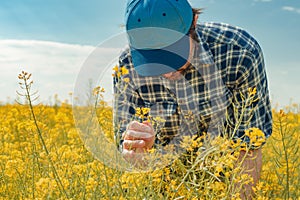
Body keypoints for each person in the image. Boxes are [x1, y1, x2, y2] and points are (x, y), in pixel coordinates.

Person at [113, 0, 272, 199]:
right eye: (153, 59)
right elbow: (124, 142)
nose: (167, 71)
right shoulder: (127, 66)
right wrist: (137, 149)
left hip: (223, 180)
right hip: (163, 181)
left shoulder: (239, 52)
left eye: (172, 53)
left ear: (194, 22)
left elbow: (248, 145)